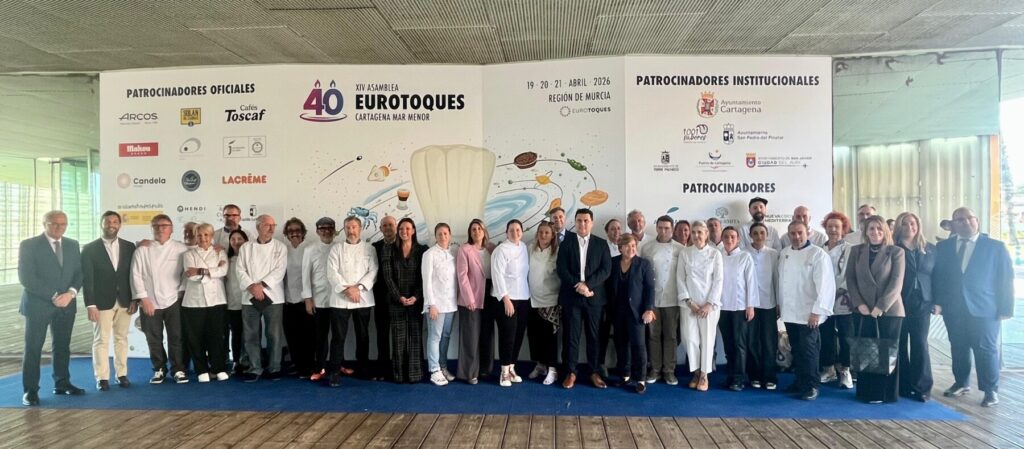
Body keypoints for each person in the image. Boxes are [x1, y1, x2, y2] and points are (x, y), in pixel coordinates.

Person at [933, 207, 1014, 407]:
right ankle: (961, 383)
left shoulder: (995, 247)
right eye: (959, 219)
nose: (965, 222)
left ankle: (990, 390)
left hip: (986, 309)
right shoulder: (944, 247)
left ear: (976, 220)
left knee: (986, 350)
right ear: (953, 224)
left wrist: (1006, 308)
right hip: (954, 309)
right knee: (958, 347)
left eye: (969, 218)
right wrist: (939, 302)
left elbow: (1005, 279)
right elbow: (938, 277)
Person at [18, 210, 84, 406]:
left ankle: (62, 383)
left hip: (66, 305)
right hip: (38, 305)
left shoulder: (72, 245)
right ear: (44, 223)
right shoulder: (29, 245)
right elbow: (26, 277)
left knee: (62, 346)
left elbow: (79, 273)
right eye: (54, 223)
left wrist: (71, 293)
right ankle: (30, 391)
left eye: (63, 224)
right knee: (33, 348)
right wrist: (54, 296)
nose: (59, 227)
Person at [847, 215, 906, 404]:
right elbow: (851, 280)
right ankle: (867, 393)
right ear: (866, 231)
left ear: (885, 232)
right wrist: (860, 304)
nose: (875, 232)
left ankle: (886, 394)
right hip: (863, 310)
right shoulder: (856, 251)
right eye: (871, 229)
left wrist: (880, 306)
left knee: (886, 353)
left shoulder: (896, 252)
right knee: (866, 352)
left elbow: (896, 283)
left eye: (879, 229)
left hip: (889, 311)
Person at [778, 220, 836, 401]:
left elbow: (826, 286)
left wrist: (817, 312)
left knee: (809, 350)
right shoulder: (785, 253)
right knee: (796, 349)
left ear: (808, 233)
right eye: (792, 233)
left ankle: (811, 386)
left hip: (809, 313)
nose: (796, 237)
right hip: (790, 312)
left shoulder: (818, 255)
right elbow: (781, 282)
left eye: (799, 233)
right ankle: (800, 381)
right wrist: (780, 305)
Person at [131, 214, 190, 384]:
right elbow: (135, 275)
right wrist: (144, 299)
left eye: (164, 225)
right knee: (153, 337)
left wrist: (181, 291)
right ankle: (159, 369)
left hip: (174, 300)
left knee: (176, 337)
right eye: (156, 226)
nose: (160, 229)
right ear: (151, 229)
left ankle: (178, 369)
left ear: (171, 229)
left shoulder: (181, 248)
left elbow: (190, 269)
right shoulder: (142, 249)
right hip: (150, 302)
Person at [81, 211, 136, 391]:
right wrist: (90, 304)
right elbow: (87, 279)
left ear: (120, 225)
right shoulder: (89, 249)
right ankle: (102, 377)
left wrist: (134, 299)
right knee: (101, 340)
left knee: (121, 339)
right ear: (101, 224)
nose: (111, 225)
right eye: (107, 222)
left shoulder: (129, 247)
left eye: (115, 222)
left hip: (125, 300)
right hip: (101, 302)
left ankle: (122, 374)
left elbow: (133, 276)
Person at [557, 208, 612, 389]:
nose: (582, 224)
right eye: (579, 220)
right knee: (571, 337)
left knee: (594, 337)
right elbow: (562, 269)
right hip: (572, 298)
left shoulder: (601, 244)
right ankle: (571, 372)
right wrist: (578, 286)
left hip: (594, 298)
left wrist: (587, 285)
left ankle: (594, 372)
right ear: (575, 222)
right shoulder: (566, 243)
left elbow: (605, 270)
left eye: (586, 221)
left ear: (592, 222)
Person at [325, 216, 378, 387]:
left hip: (363, 299)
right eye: (347, 227)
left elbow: (373, 271)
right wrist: (348, 290)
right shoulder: (336, 249)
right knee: (338, 337)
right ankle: (334, 371)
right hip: (340, 299)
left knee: (363, 336)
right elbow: (332, 273)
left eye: (354, 227)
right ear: (344, 229)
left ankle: (363, 369)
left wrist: (358, 288)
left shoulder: (369, 249)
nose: (351, 230)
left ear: (360, 228)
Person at [236, 214, 288, 382]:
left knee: (274, 334)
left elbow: (279, 271)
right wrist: (252, 287)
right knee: (251, 334)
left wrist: (261, 286)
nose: (271, 228)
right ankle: (255, 367)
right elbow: (240, 270)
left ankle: (274, 367)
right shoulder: (246, 247)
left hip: (273, 296)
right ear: (258, 227)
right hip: (249, 296)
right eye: (267, 225)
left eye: (273, 225)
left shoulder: (280, 247)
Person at [676, 220, 723, 392]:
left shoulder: (715, 254)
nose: (696, 235)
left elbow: (718, 280)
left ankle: (704, 375)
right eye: (693, 232)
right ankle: (695, 371)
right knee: (689, 339)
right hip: (689, 305)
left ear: (706, 234)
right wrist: (689, 302)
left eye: (699, 232)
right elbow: (680, 278)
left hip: (708, 306)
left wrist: (709, 304)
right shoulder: (685, 253)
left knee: (708, 340)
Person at [894, 212, 936, 402]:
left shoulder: (930, 249)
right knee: (900, 345)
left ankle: (922, 387)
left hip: (923, 303)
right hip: (898, 302)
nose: (909, 227)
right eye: (905, 224)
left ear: (918, 225)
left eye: (913, 223)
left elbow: (938, 277)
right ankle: (903, 385)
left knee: (920, 344)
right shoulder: (892, 248)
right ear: (899, 227)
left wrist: (938, 302)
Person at [182, 223, 230, 382]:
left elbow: (223, 271)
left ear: (211, 236)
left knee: (216, 336)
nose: (203, 238)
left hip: (216, 300)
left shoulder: (220, 252)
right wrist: (212, 271)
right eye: (199, 235)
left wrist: (202, 270)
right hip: (194, 302)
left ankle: (218, 368)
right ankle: (201, 369)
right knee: (196, 337)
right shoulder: (189, 254)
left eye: (206, 235)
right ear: (195, 237)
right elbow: (191, 276)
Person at [608, 234, 656, 393]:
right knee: (621, 344)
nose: (631, 249)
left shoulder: (643, 264)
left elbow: (650, 288)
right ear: (620, 247)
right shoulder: (613, 262)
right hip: (617, 311)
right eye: (627, 246)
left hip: (637, 313)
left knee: (639, 346)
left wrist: (649, 309)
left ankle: (641, 379)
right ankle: (625, 375)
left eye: (634, 246)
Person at [381, 217, 427, 383]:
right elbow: (387, 277)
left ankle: (415, 374)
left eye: (408, 228)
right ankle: (399, 374)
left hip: (416, 301)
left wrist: (416, 296)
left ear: (413, 230)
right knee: (398, 339)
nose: (404, 231)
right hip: (396, 300)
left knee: (415, 337)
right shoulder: (388, 249)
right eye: (401, 229)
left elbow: (425, 277)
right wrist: (399, 297)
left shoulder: (422, 250)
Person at [640, 215, 683, 385]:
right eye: (661, 227)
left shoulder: (680, 249)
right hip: (653, 299)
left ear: (672, 229)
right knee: (654, 335)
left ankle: (669, 371)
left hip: (673, 298)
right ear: (656, 227)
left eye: (667, 228)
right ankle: (655, 369)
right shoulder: (647, 248)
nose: (664, 231)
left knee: (671, 336)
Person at [491, 219, 532, 387]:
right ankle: (504, 371)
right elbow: (497, 274)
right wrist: (505, 298)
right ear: (506, 232)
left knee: (518, 335)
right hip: (506, 299)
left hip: (523, 298)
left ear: (522, 231)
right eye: (511, 230)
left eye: (518, 230)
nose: (515, 233)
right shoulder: (501, 250)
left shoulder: (524, 247)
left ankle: (512, 367)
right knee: (507, 336)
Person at [818, 212, 855, 389]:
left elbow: (849, 274)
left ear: (843, 229)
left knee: (846, 336)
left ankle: (845, 370)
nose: (833, 230)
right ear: (825, 228)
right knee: (826, 335)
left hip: (843, 298)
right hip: (824, 299)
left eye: (837, 227)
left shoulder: (850, 249)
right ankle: (828, 368)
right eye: (830, 226)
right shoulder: (819, 249)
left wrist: (837, 291)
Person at [719, 226, 758, 391]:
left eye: (732, 237)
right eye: (726, 237)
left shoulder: (745, 256)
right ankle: (731, 374)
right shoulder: (718, 256)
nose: (729, 240)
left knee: (739, 344)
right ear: (722, 238)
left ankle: (739, 378)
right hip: (722, 307)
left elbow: (751, 282)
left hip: (740, 306)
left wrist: (751, 306)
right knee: (728, 344)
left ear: (738, 239)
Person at [456, 218, 494, 384]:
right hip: (471, 297)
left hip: (490, 295)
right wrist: (469, 298)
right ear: (470, 233)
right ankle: (469, 373)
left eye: (479, 228)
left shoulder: (492, 248)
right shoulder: (465, 249)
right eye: (473, 229)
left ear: (484, 231)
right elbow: (462, 276)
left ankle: (485, 369)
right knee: (470, 337)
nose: (476, 231)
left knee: (487, 334)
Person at [423, 223, 458, 386]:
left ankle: (443, 366)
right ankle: (434, 369)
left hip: (451, 304)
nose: (443, 236)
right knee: (435, 336)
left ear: (450, 235)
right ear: (435, 236)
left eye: (445, 233)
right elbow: (427, 281)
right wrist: (431, 304)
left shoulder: (453, 253)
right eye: (439, 234)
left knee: (445, 336)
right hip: (436, 304)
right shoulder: (429, 254)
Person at [745, 222, 779, 390]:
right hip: (749, 304)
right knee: (751, 341)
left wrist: (778, 303)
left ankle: (770, 376)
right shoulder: (744, 253)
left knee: (768, 341)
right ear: (750, 235)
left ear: (767, 235)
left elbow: (777, 279)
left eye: (762, 233)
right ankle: (755, 375)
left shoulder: (773, 254)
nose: (759, 236)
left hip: (768, 303)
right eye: (756, 233)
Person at [527, 221, 561, 386]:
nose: (543, 235)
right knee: (534, 336)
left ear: (552, 235)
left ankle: (552, 369)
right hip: (532, 300)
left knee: (550, 337)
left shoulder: (557, 252)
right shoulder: (530, 249)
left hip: (550, 300)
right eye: (541, 232)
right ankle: (540, 365)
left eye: (547, 232)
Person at [303, 217, 336, 382]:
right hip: (319, 299)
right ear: (317, 231)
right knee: (321, 336)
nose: (326, 231)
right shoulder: (310, 249)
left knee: (339, 336)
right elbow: (305, 276)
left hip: (339, 299)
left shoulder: (340, 247)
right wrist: (308, 298)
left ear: (335, 230)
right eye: (322, 228)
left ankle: (337, 365)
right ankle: (320, 366)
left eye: (330, 228)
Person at [282, 217, 315, 377]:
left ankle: (308, 367)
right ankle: (297, 365)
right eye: (290, 231)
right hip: (288, 300)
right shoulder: (283, 249)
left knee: (307, 336)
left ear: (303, 233)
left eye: (297, 231)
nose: (294, 234)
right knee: (292, 335)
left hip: (306, 301)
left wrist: (310, 298)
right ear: (286, 234)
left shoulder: (310, 248)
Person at [371, 214, 398, 380]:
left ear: (396, 227)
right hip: (380, 298)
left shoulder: (404, 245)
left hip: (399, 299)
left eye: (390, 225)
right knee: (381, 335)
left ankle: (397, 370)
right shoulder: (374, 247)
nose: (388, 228)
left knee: (398, 336)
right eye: (385, 226)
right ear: (380, 229)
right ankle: (382, 369)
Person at [597, 218, 623, 377]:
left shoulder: (627, 247)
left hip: (622, 300)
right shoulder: (601, 247)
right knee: (602, 334)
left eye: (619, 228)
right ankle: (600, 364)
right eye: (612, 229)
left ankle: (623, 365)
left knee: (621, 334)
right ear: (607, 232)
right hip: (605, 299)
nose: (616, 232)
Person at [224, 229, 249, 374]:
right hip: (233, 303)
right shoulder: (227, 260)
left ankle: (249, 361)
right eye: (233, 239)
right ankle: (236, 361)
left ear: (246, 241)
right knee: (237, 334)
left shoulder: (251, 259)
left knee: (250, 334)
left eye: (240, 238)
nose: (236, 242)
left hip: (249, 303)